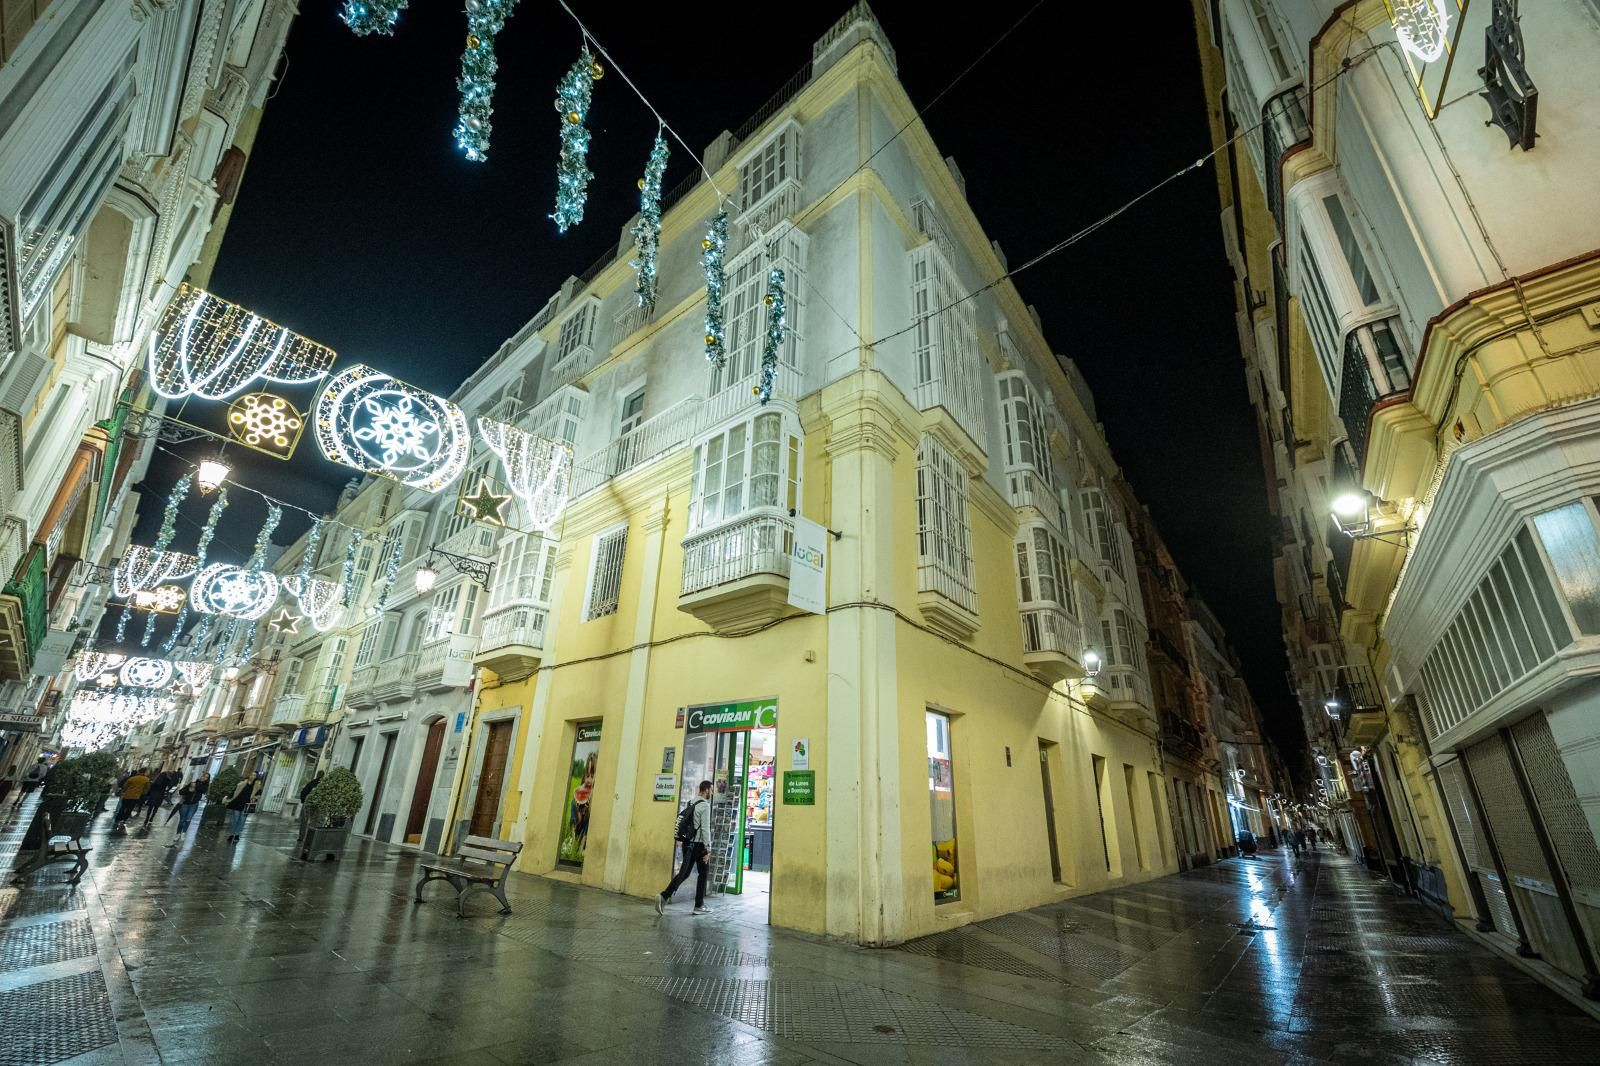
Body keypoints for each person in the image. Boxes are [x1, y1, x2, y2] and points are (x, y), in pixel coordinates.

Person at [656, 780, 714, 916]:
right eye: (711, 790)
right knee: (703, 873)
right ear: (706, 790)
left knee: (684, 873)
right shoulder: (704, 806)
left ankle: (664, 895)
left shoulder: (691, 802)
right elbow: (705, 829)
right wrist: (708, 848)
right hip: (699, 845)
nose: (712, 792)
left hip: (687, 844)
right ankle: (699, 905)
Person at [165, 779, 201, 844]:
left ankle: (184, 832)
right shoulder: (187, 788)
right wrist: (188, 790)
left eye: (195, 785)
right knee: (182, 820)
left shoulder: (198, 790)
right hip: (184, 804)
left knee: (188, 820)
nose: (193, 786)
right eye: (192, 785)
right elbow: (180, 792)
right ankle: (178, 834)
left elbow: (199, 797)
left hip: (193, 805)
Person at [224, 773, 253, 843]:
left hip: (247, 805)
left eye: (255, 775)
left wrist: (255, 797)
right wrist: (228, 798)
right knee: (235, 820)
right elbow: (235, 791)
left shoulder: (255, 786)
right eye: (252, 775)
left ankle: (237, 835)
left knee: (242, 821)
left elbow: (258, 794)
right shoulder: (242, 784)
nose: (253, 776)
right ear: (249, 776)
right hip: (237, 804)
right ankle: (232, 834)